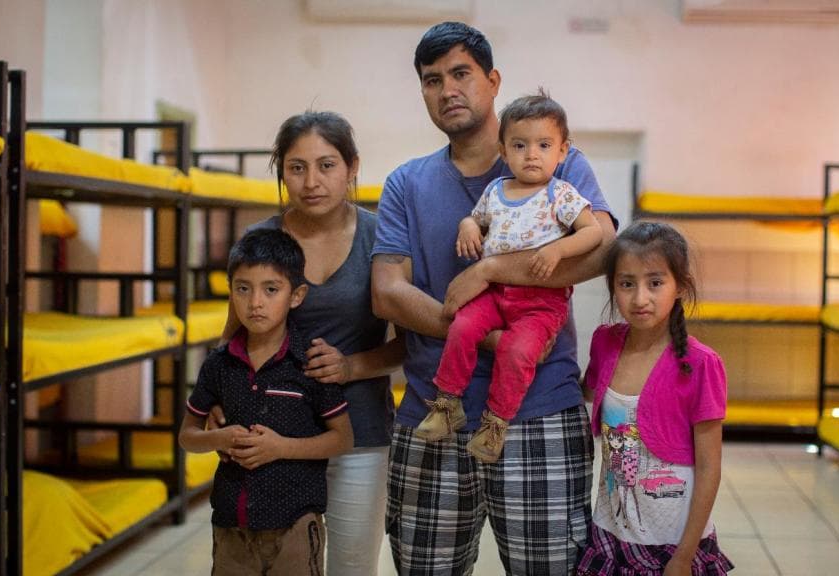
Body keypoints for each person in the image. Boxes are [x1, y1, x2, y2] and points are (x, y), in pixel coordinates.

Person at [371, 21, 617, 574]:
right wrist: (486, 333)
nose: (448, 90)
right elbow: (387, 293)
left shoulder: (553, 161)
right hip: (434, 415)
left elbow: (603, 252)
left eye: (461, 74)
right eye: (432, 80)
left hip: (541, 414)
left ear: (492, 80)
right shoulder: (405, 184)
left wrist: (490, 270)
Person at [211, 111, 403, 576]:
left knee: (352, 566)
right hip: (272, 434)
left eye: (327, 165)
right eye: (296, 168)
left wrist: (350, 367)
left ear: (352, 167)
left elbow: (410, 344)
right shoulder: (260, 238)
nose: (311, 181)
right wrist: (216, 399)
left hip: (359, 431)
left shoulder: (381, 236)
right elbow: (233, 332)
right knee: (278, 563)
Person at [416, 91, 603, 464]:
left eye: (544, 145)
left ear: (562, 151)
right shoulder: (496, 190)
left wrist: (557, 250)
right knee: (462, 327)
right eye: (520, 145)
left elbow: (594, 233)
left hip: (540, 301)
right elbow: (477, 217)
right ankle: (447, 404)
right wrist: (468, 226)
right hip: (495, 294)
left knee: (517, 351)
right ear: (503, 151)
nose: (531, 154)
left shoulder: (560, 193)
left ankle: (495, 422)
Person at [179, 228, 354, 576]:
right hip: (230, 525)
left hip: (295, 525)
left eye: (270, 289)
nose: (255, 302)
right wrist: (219, 438)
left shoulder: (310, 362)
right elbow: (187, 435)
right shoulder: (218, 364)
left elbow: (342, 438)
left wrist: (279, 447)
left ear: (296, 295)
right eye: (243, 289)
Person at [577, 221, 734, 576]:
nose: (639, 298)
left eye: (655, 282)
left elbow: (710, 469)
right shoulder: (605, 342)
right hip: (611, 531)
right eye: (626, 283)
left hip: (673, 541)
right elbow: (584, 391)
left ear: (681, 286)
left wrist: (683, 556)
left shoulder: (700, 364)